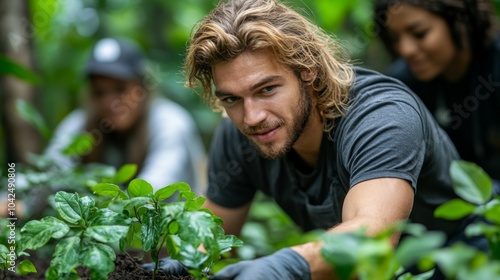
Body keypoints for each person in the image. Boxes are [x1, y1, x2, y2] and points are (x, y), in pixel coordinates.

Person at [146, 0, 488, 279]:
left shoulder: (382, 116)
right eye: (232, 99)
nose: (252, 117)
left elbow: (372, 237)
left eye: (267, 89)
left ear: (307, 69)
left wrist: (285, 266)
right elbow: (213, 240)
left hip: (468, 262)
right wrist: (179, 269)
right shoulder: (239, 135)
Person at [46, 37, 206, 194]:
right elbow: (48, 174)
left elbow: (153, 191)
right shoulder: (81, 122)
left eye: (120, 89)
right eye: (99, 92)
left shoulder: (170, 122)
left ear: (142, 88)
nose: (110, 102)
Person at [373, 0, 500, 190]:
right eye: (395, 38)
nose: (405, 49)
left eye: (419, 34)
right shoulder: (401, 87)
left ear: (458, 22)